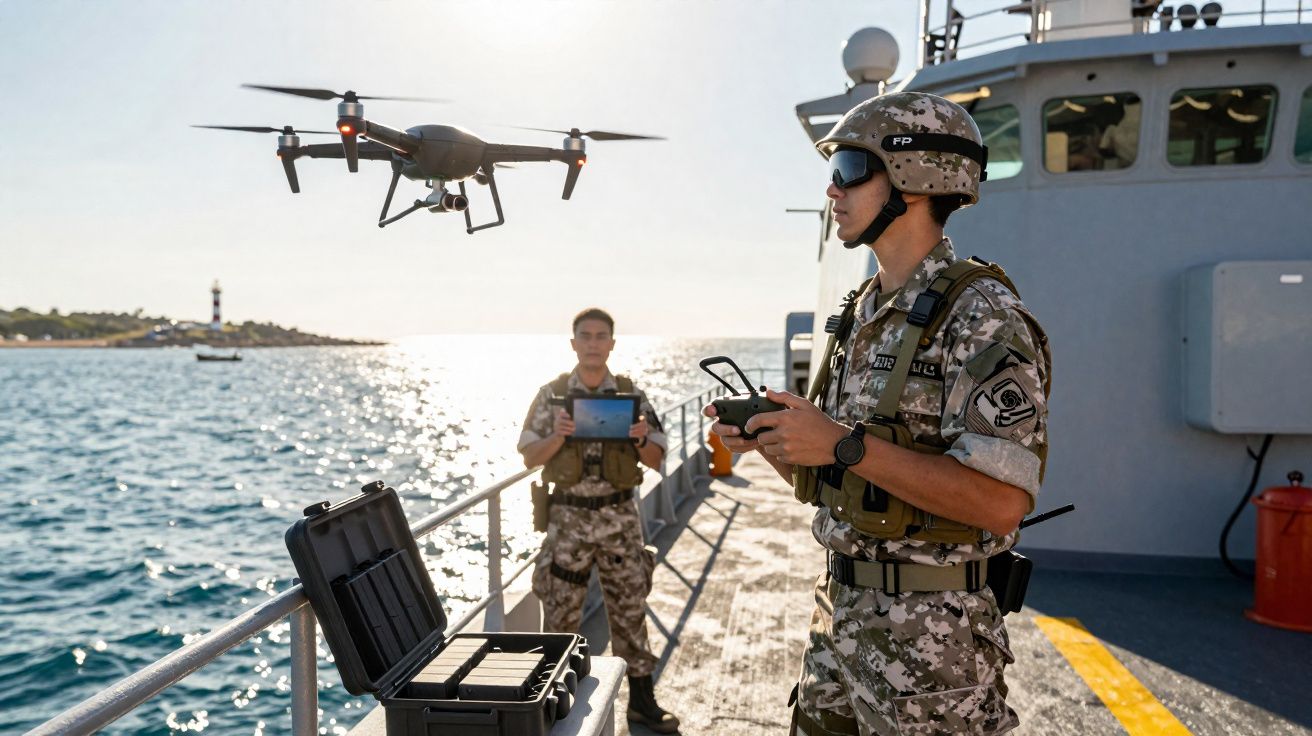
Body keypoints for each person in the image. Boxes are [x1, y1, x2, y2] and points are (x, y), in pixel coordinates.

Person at [707, 92, 1051, 735]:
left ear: (914, 178)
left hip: (932, 645)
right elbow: (838, 481)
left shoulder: (982, 318)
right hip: (840, 620)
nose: (831, 191)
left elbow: (1002, 503)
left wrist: (842, 443)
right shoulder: (858, 316)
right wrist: (781, 443)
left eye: (846, 170)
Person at [519, 307, 681, 734]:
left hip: (620, 520)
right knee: (559, 616)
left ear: (612, 343)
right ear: (573, 344)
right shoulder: (551, 395)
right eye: (585, 336)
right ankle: (547, 709)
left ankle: (642, 705)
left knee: (630, 612)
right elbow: (529, 456)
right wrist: (558, 434)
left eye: (601, 336)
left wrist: (642, 437)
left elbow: (659, 458)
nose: (593, 343)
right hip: (567, 522)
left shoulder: (631, 395)